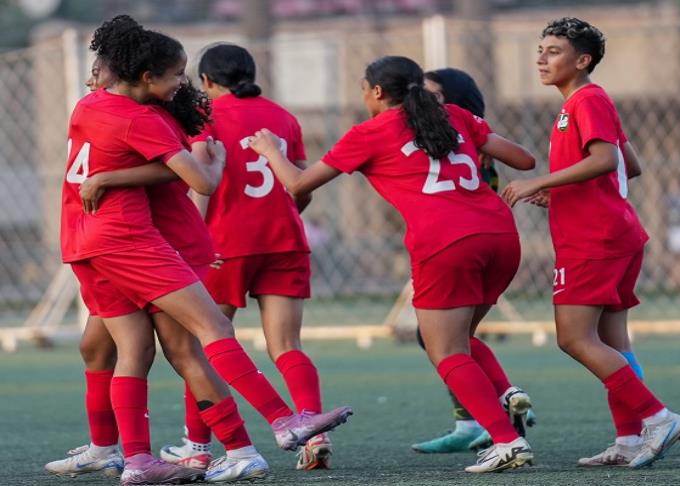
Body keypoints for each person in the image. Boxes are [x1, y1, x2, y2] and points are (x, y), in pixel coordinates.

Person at [58, 16, 351, 485]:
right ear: (147, 76)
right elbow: (203, 180)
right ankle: (279, 423)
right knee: (206, 334)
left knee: (132, 350)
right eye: (176, 74)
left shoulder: (89, 105)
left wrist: (109, 177)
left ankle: (136, 459)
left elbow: (125, 164)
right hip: (133, 240)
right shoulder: (145, 119)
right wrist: (202, 167)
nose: (183, 82)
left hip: (82, 239)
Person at [248, 55, 537, 473]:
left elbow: (296, 183)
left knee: (447, 351)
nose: (362, 95)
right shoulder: (452, 114)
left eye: (363, 88)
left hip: (446, 241)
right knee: (463, 342)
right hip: (501, 236)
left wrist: (271, 150)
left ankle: (506, 441)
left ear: (377, 92)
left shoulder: (370, 132)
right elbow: (525, 160)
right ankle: (504, 407)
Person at [501, 17, 680, 468]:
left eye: (553, 51)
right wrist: (562, 192)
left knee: (574, 338)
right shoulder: (586, 102)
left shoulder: (586, 99)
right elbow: (630, 164)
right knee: (612, 342)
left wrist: (538, 182)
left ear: (582, 60)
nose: (541, 58)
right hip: (613, 233)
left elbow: (606, 160)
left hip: (596, 240)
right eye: (540, 49)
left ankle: (657, 418)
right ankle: (628, 438)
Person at [158, 42, 333, 471]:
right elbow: (302, 184)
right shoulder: (283, 116)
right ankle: (315, 430)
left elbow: (201, 180)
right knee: (287, 345)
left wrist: (194, 241)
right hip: (284, 239)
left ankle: (197, 446)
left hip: (224, 243)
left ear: (206, 82)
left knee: (204, 343)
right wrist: (289, 216)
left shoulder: (204, 116)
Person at [410, 67, 535, 454]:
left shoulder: (466, 146)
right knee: (447, 339)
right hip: (481, 245)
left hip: (465, 249)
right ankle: (476, 416)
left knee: (449, 342)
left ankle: (495, 407)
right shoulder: (459, 141)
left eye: (431, 94)